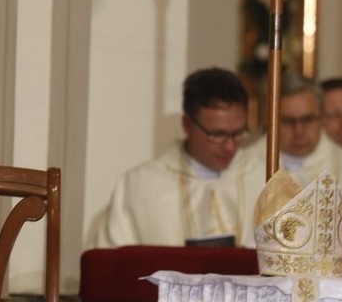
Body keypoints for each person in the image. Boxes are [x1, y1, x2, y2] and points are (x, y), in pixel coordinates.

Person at [95, 66, 261, 248]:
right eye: (217, 135)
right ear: (187, 125)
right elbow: (113, 264)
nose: (229, 146)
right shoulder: (140, 185)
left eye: (238, 133)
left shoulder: (264, 179)